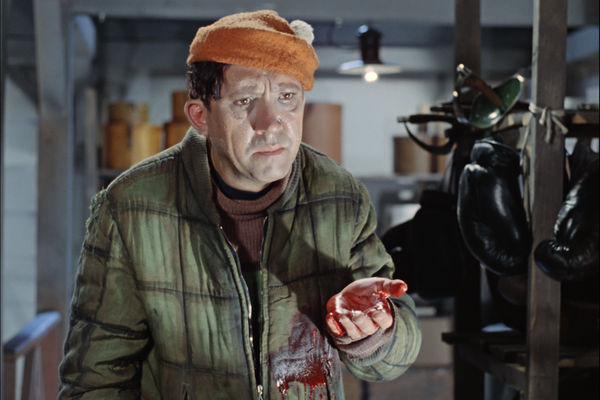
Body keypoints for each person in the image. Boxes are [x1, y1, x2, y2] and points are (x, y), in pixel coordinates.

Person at [58, 10, 421, 400]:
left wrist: (374, 331)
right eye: (245, 100)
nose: (271, 122)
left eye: (287, 97)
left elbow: (392, 360)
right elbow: (95, 380)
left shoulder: (339, 196)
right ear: (201, 116)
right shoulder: (131, 208)